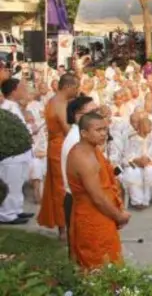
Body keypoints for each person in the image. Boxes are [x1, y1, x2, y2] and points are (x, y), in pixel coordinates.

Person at [67, 111, 130, 270]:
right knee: (98, 266)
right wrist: (119, 216)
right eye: (98, 130)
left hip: (102, 215)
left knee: (110, 263)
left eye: (105, 129)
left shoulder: (92, 150)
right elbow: (98, 198)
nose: (103, 134)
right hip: (93, 217)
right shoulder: (84, 158)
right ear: (84, 133)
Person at [38, 73, 80, 239]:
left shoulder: (52, 100)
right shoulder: (60, 103)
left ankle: (64, 227)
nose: (77, 91)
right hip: (60, 149)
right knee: (61, 188)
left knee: (57, 187)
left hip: (55, 146)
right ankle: (64, 228)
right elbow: (67, 129)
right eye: (76, 87)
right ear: (68, 87)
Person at [61, 95, 98, 249]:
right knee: (84, 250)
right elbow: (89, 182)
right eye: (93, 112)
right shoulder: (77, 140)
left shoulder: (82, 135)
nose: (98, 116)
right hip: (81, 200)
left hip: (83, 198)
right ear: (78, 116)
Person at [0, 78, 34, 225]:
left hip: (21, 154)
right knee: (10, 185)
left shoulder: (14, 106)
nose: (25, 91)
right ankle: (6, 214)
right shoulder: (6, 108)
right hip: (12, 155)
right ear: (14, 91)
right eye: (22, 88)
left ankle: (16, 209)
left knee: (18, 184)